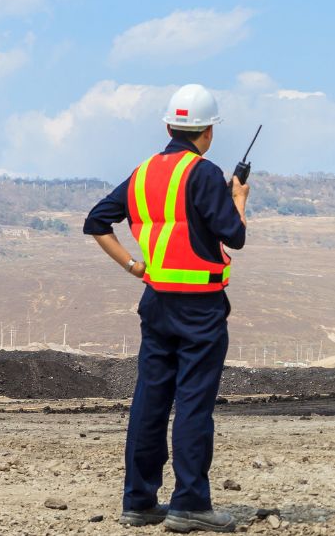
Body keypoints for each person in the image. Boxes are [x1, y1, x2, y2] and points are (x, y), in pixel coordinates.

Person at [83, 84, 249, 532]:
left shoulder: (141, 174)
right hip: (200, 309)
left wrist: (135, 267)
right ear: (208, 132)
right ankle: (191, 503)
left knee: (150, 401)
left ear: (169, 125)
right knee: (193, 403)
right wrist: (239, 199)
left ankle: (138, 502)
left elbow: (96, 221)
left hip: (156, 303)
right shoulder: (205, 173)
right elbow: (234, 235)